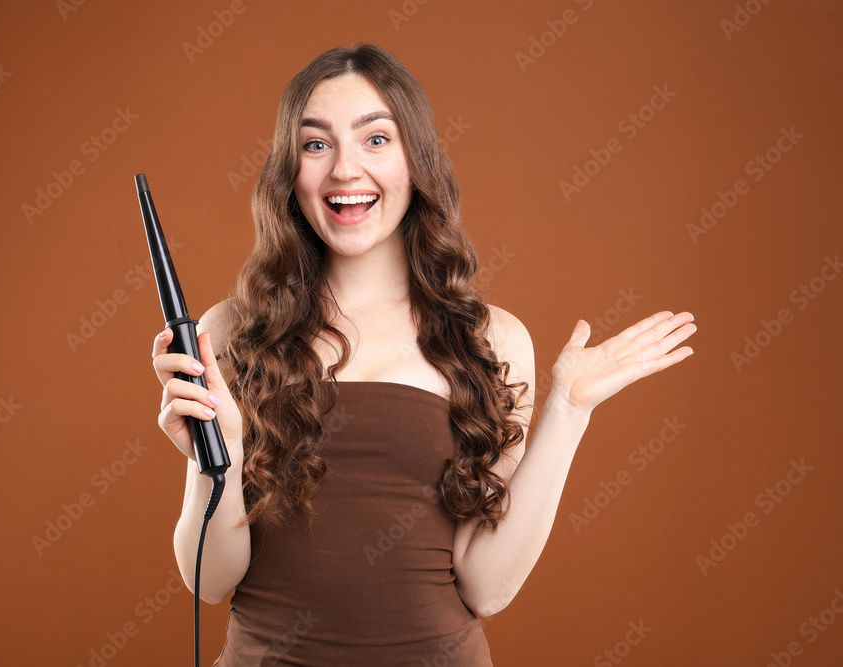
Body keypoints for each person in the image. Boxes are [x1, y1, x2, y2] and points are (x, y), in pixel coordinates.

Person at [150, 43, 696, 666]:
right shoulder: (230, 332)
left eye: (376, 139)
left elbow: (486, 585)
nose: (345, 170)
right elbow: (210, 580)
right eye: (316, 144)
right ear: (289, 171)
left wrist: (568, 411)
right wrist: (215, 461)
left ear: (416, 160)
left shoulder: (489, 340)